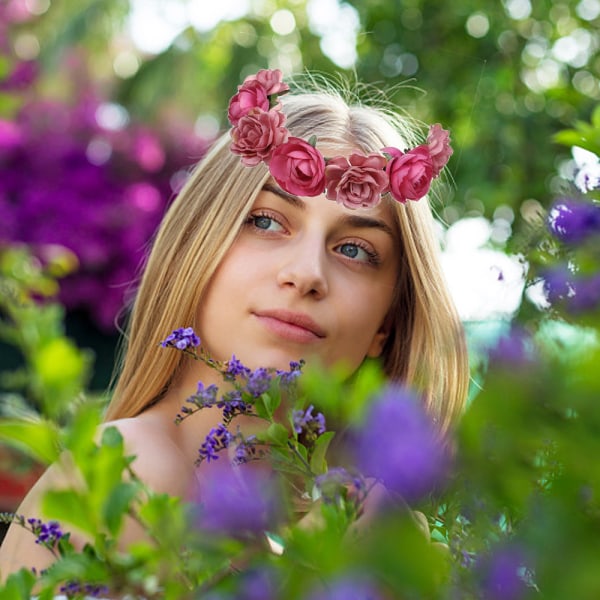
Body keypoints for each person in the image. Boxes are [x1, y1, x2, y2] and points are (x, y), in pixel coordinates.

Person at [0, 69, 469, 579]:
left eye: (355, 250)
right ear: (195, 250)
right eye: (266, 221)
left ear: (387, 323)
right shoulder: (128, 474)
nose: (306, 274)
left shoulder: (356, 527)